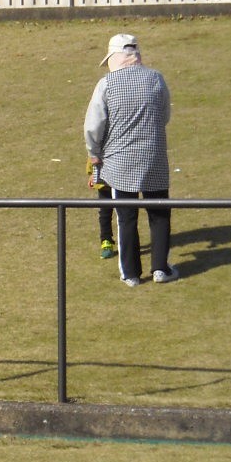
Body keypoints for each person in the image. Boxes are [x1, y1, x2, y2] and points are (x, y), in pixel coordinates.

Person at [84, 33, 177, 287]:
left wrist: (94, 153)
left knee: (126, 216)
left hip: (119, 161)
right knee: (159, 213)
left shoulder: (107, 84)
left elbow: (94, 126)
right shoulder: (156, 79)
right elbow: (164, 115)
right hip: (154, 156)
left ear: (114, 57)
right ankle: (160, 269)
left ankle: (131, 273)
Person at [87, 158, 116, 259]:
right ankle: (106, 242)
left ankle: (129, 244)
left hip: (123, 179)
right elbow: (92, 151)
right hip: (104, 181)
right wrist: (91, 173)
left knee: (126, 213)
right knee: (105, 213)